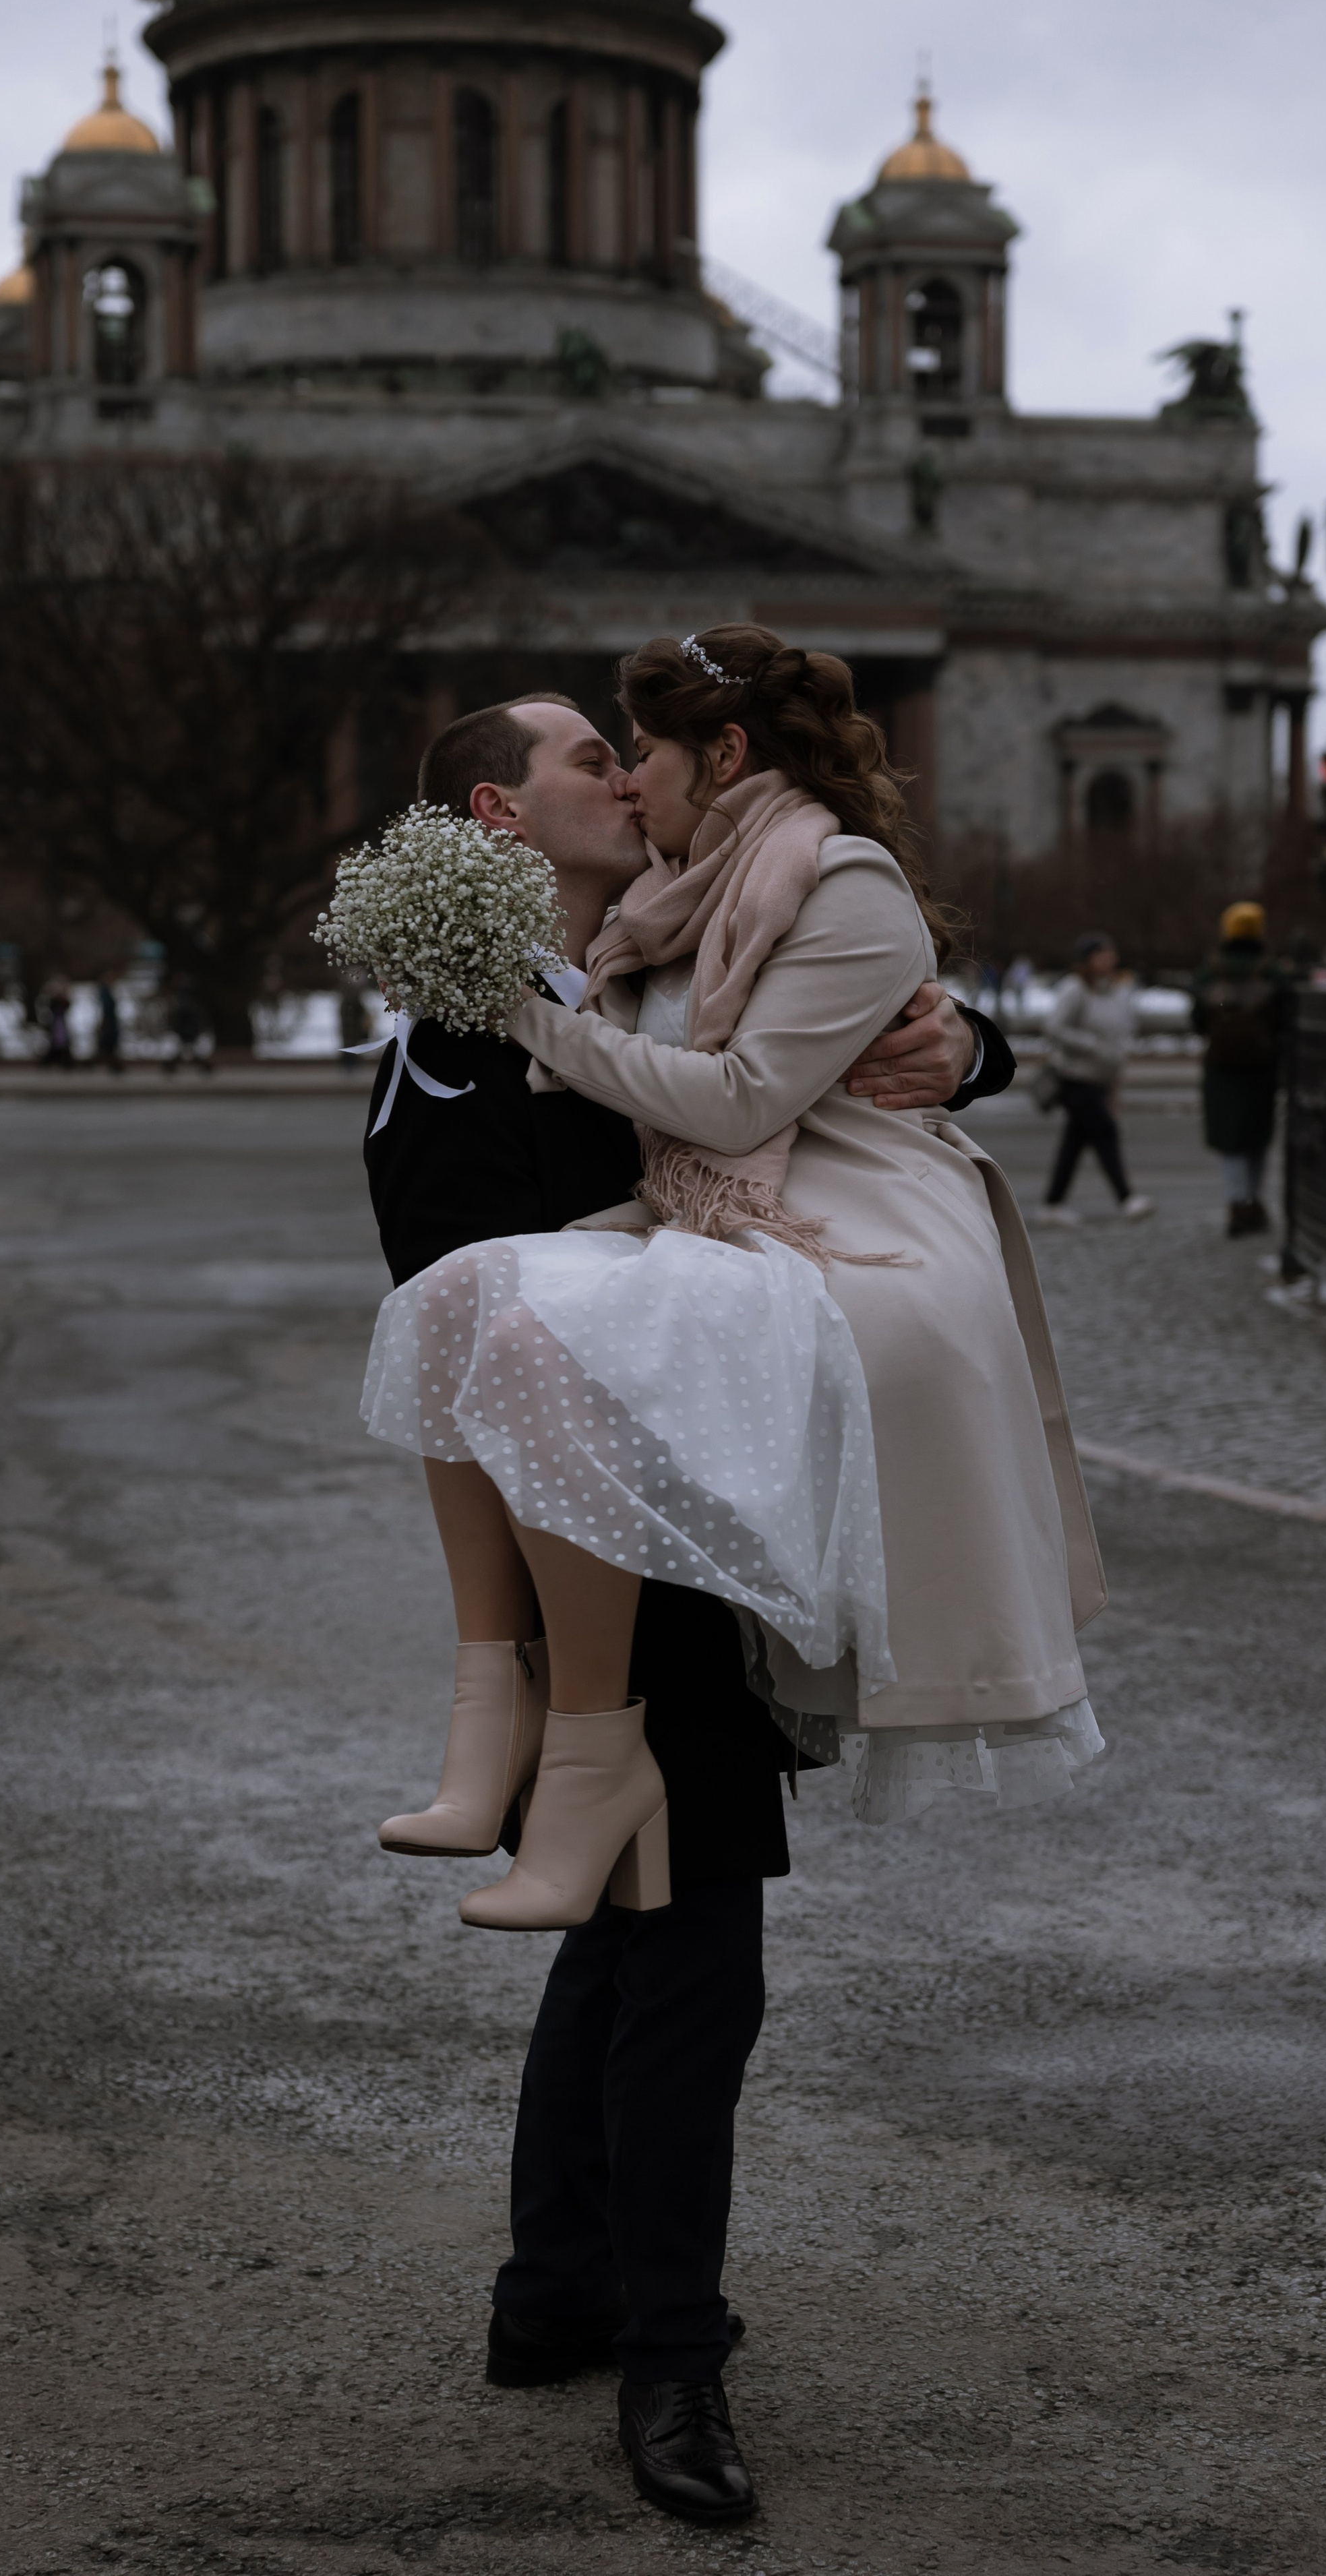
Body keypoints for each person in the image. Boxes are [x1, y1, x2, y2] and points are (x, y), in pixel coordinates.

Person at [360, 678, 1019, 2527]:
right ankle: (672, 2363)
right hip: (615, 1559)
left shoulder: (646, 967)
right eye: (586, 756)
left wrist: (971, 1052)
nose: (625, 776)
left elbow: (840, 1048)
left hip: (709, 1526)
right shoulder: (463, 1039)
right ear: (501, 822)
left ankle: (553, 2293)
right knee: (696, 1960)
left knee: (637, 1933)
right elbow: (467, 1320)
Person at [1033, 932, 1153, 1227]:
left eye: (1110, 953)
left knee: (1074, 1144)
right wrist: (1091, 1045)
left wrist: (1115, 1066)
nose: (1108, 959)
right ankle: (1127, 1198)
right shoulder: (1075, 989)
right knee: (1105, 1134)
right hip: (1075, 1078)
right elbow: (1053, 1027)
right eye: (1101, 954)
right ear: (1087, 960)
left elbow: (1123, 1028)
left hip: (1101, 1080)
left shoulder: (1115, 990)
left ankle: (1052, 1204)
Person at [1192, 900, 1286, 1237]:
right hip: (1261, 1066)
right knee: (1256, 1138)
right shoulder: (1271, 971)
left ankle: (1235, 1203)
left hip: (1222, 1067)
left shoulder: (1211, 970)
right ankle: (1253, 1201)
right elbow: (1286, 1017)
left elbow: (1199, 1019)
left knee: (1231, 1140)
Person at [93, 970, 123, 1076]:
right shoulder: (105, 992)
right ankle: (113, 1064)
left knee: (109, 1044)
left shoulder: (107, 991)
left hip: (109, 1020)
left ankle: (113, 1064)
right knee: (109, 1043)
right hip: (109, 1020)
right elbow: (107, 1007)